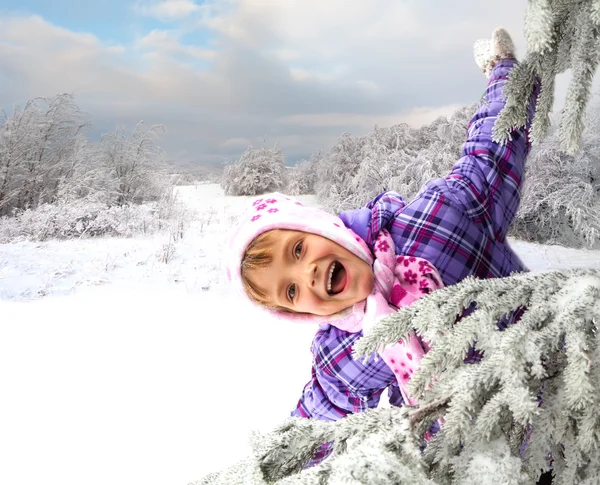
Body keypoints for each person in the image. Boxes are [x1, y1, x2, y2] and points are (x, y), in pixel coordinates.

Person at [226, 27, 539, 463]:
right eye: (291, 292)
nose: (307, 275)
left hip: (563, 371)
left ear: (326, 229)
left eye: (297, 251)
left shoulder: (436, 218)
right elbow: (315, 424)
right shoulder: (344, 354)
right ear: (298, 313)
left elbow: (491, 151)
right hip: (484, 460)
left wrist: (503, 72)